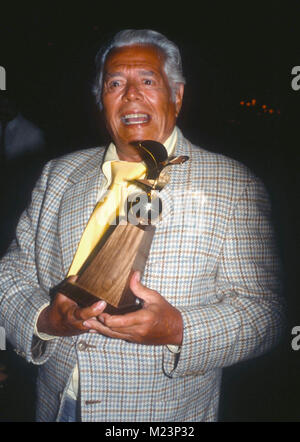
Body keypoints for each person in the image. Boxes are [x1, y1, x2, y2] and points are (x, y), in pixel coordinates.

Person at [0, 29, 284, 422]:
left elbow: (266, 313)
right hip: (56, 403)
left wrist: (179, 329)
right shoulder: (58, 174)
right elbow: (10, 273)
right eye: (115, 83)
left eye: (147, 81)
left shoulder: (234, 185)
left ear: (177, 95)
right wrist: (45, 319)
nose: (131, 94)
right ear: (101, 99)